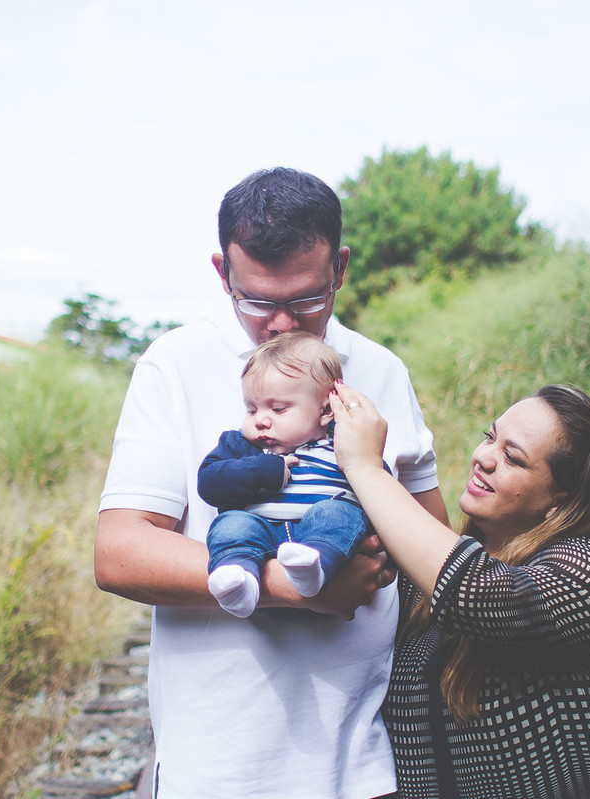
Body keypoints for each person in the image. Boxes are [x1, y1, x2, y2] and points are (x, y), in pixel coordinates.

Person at [94, 166, 449, 799]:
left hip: (366, 755)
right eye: (257, 301)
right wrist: (297, 587)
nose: (281, 324)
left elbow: (434, 550)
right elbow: (119, 552)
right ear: (221, 272)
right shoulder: (174, 363)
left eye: (307, 299)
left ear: (339, 267)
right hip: (220, 758)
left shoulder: (382, 370)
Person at [330, 382, 590, 799]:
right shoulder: (421, 586)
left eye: (513, 457)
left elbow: (479, 593)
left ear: (562, 498)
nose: (483, 457)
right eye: (490, 437)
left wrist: (363, 467)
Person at [199, 331, 375, 618]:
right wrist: (264, 470)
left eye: (278, 408)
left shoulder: (344, 443)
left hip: (319, 538)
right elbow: (209, 483)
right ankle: (238, 579)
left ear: (326, 411)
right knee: (232, 524)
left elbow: (378, 491)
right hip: (260, 531)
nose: (261, 420)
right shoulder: (242, 446)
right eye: (251, 409)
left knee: (339, 513)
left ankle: (315, 567)